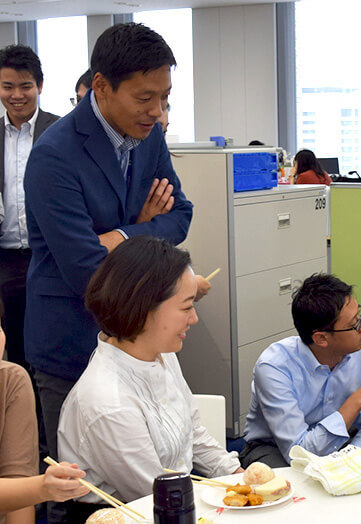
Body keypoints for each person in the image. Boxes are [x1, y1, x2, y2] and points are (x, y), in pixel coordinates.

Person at [23, 23, 201, 488]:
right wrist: (144, 230)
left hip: (138, 345)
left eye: (165, 97)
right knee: (80, 490)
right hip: (73, 337)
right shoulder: (54, 155)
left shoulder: (149, 137)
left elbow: (180, 215)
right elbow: (86, 270)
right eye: (145, 98)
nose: (158, 112)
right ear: (100, 86)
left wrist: (120, 234)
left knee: (161, 466)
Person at [57, 236, 240, 518]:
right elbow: (154, 493)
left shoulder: (161, 352)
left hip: (175, 500)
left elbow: (193, 432)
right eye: (186, 307)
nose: (194, 319)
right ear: (143, 308)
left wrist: (239, 477)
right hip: (134, 513)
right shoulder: (107, 400)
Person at [242, 273, 361, 467]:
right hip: (276, 447)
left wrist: (346, 463)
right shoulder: (274, 367)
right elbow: (297, 454)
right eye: (354, 324)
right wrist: (357, 401)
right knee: (291, 490)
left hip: (347, 440)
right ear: (321, 339)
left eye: (360, 316)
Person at [0, 45, 59, 447]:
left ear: (39, 86)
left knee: (45, 350)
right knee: (11, 350)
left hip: (48, 257)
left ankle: (47, 438)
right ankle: (20, 442)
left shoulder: (59, 131)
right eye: (6, 86)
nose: (16, 95)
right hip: (4, 260)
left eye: (24, 86)